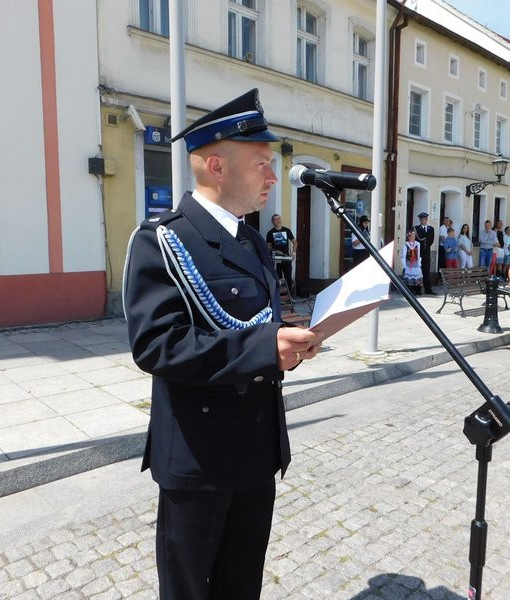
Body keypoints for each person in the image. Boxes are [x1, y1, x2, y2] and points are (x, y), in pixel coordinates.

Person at [122, 89, 323, 600]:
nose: (273, 178)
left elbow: (254, 327)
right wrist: (263, 348)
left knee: (242, 585)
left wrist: (288, 346)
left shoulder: (252, 240)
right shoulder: (162, 240)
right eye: (262, 164)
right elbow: (157, 346)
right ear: (216, 166)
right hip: (198, 457)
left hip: (257, 449)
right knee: (190, 589)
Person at [266, 213, 296, 289]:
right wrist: (275, 251)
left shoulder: (287, 230)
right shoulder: (270, 233)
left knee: (288, 277)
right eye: (275, 219)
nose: (278, 221)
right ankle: (279, 296)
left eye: (279, 219)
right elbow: (268, 247)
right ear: (272, 222)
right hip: (276, 259)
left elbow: (294, 242)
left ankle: (290, 297)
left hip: (286, 258)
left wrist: (293, 253)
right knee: (277, 277)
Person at [415, 212, 435, 294]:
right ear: (420, 220)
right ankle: (418, 289)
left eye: (425, 219)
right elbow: (417, 240)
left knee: (426, 271)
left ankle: (428, 289)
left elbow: (431, 240)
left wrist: (426, 246)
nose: (424, 220)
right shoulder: (416, 228)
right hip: (419, 252)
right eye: (422, 219)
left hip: (427, 252)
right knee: (418, 271)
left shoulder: (431, 229)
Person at [401, 230, 423, 294]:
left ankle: (417, 289)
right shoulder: (405, 245)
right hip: (409, 263)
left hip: (416, 263)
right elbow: (403, 255)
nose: (412, 237)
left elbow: (418, 254)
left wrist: (419, 263)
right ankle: (410, 290)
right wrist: (404, 265)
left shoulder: (417, 244)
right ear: (408, 237)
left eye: (413, 236)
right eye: (411, 236)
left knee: (417, 276)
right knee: (409, 277)